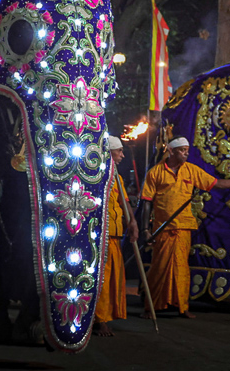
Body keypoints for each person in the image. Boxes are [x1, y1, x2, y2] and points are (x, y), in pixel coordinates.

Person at [138, 137, 230, 318]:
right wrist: (144, 229)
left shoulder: (191, 171)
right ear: (171, 151)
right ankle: (152, 307)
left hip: (184, 226)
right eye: (182, 150)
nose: (186, 153)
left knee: (181, 268)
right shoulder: (155, 173)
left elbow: (217, 183)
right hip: (162, 228)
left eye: (187, 150)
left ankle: (182, 307)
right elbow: (146, 201)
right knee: (159, 267)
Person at [94, 136, 140, 337]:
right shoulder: (96, 175)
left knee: (113, 278)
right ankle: (99, 319)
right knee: (102, 279)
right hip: (101, 234)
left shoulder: (118, 178)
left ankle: (108, 314)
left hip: (115, 234)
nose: (122, 155)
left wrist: (132, 222)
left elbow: (124, 202)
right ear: (108, 153)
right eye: (119, 151)